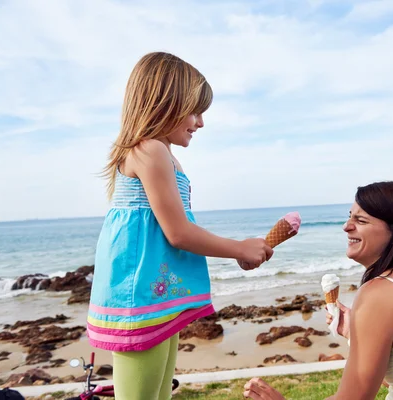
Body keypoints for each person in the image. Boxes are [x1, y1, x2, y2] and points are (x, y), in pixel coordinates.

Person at [86, 52, 273, 400]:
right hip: (139, 296)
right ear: (164, 102)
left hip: (157, 295)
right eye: (195, 110)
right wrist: (239, 249)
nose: (200, 122)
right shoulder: (149, 149)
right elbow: (178, 232)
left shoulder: (164, 154)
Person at [243, 181, 393, 400]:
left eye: (361, 221)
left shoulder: (380, 292)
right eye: (349, 217)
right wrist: (358, 336)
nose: (346, 227)